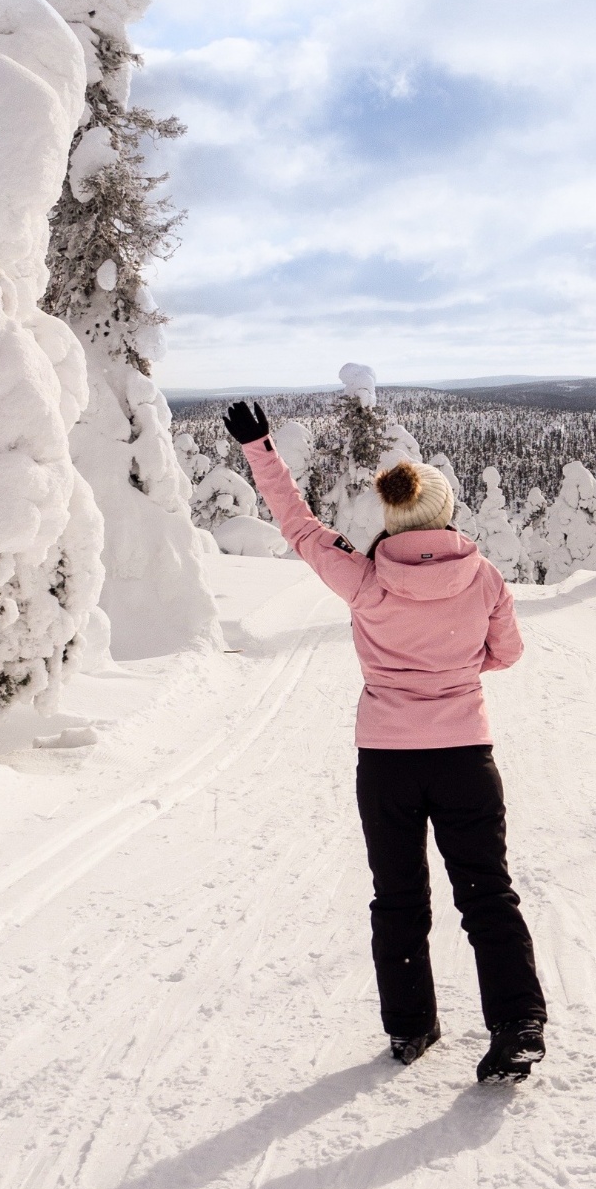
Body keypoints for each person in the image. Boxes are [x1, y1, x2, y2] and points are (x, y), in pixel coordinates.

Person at [222, 400, 548, 1084]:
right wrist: (457, 671)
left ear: (395, 518)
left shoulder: (364, 580)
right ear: (446, 512)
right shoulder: (484, 577)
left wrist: (260, 447)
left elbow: (299, 524)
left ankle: (410, 1028)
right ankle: (517, 1024)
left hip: (388, 766)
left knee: (398, 897)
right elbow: (507, 654)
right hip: (466, 759)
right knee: (488, 894)